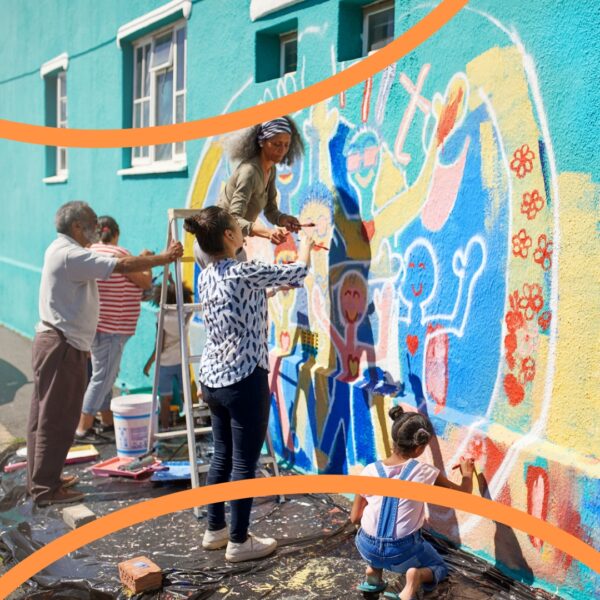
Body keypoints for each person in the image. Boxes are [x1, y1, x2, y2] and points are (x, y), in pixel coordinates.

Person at [28, 201, 183, 507]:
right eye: (91, 223)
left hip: (63, 342)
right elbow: (124, 267)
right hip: (61, 345)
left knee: (49, 415)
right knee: (56, 418)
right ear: (76, 227)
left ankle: (46, 479)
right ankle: (46, 489)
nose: (96, 230)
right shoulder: (71, 253)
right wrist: (165, 258)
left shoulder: (63, 250)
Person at [183, 206, 316, 563]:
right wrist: (306, 242)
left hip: (213, 379)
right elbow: (300, 270)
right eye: (238, 229)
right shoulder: (243, 271)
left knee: (221, 456)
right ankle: (240, 542)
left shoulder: (207, 275)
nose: (244, 233)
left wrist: (271, 287)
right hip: (244, 378)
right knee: (245, 462)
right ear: (228, 236)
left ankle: (216, 530)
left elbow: (244, 297)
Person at [350, 406, 475, 600]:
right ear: (418, 448)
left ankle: (373, 573)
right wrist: (467, 474)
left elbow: (354, 517)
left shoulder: (369, 470)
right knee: (439, 567)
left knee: (373, 532)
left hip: (366, 546)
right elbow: (463, 496)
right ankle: (415, 578)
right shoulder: (425, 472)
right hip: (402, 551)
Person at [75, 216, 152, 443]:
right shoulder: (119, 254)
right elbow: (144, 281)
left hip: (93, 325)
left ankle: (107, 419)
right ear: (115, 234)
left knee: (106, 374)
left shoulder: (88, 252)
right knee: (102, 377)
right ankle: (83, 427)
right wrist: (144, 259)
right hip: (114, 327)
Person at [193, 116, 305, 267]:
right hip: (215, 247)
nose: (282, 150)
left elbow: (271, 211)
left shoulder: (270, 170)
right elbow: (233, 218)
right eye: (277, 144)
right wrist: (268, 233)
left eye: (286, 145)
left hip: (233, 247)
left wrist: (284, 219)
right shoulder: (250, 172)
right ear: (262, 142)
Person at [143, 281, 193, 429]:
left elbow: (160, 344)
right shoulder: (185, 314)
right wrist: (173, 282)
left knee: (165, 398)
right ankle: (193, 426)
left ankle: (165, 428)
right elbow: (179, 296)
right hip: (182, 361)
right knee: (186, 396)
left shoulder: (162, 317)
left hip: (165, 363)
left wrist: (149, 363)